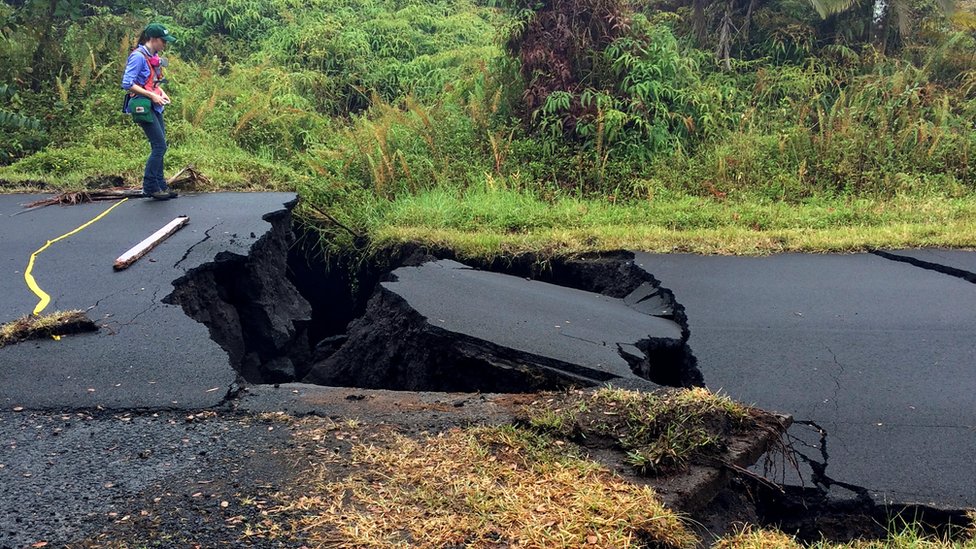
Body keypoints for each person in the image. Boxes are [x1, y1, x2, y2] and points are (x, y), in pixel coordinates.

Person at [121, 23, 177, 200]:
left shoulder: (153, 56)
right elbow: (127, 83)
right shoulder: (138, 57)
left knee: (160, 146)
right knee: (159, 146)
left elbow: (151, 81)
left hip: (155, 104)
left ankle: (161, 185)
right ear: (153, 39)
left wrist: (161, 94)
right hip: (143, 104)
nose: (164, 45)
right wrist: (151, 96)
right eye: (163, 41)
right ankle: (150, 186)